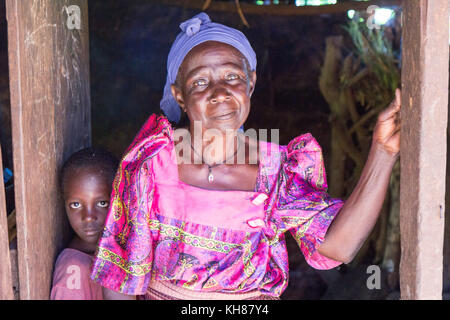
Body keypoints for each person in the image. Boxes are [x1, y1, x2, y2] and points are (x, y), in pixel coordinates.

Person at [90, 13, 401, 300]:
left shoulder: (278, 171)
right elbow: (120, 276)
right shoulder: (151, 163)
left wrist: (383, 152)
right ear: (179, 96)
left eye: (232, 77)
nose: (220, 92)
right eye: (200, 81)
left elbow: (338, 246)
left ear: (250, 83)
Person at [50, 147, 119, 300]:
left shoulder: (129, 253)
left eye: (102, 203)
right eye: (76, 205)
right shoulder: (73, 268)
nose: (88, 217)